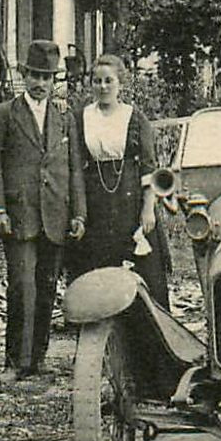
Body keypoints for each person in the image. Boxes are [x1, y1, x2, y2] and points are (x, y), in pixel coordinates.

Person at [0, 39, 86, 381]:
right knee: (21, 286)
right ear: (23, 75)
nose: (40, 83)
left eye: (47, 77)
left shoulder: (64, 117)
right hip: (19, 215)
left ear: (54, 81)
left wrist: (78, 214)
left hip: (55, 215)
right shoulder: (3, 114)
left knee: (47, 285)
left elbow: (73, 169)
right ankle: (15, 361)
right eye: (35, 75)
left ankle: (38, 358)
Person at [66, 54, 171, 308]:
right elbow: (76, 167)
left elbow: (149, 166)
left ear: (120, 84)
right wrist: (79, 211)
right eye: (97, 81)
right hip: (96, 202)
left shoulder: (134, 117)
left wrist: (148, 208)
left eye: (108, 81)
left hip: (129, 198)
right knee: (98, 271)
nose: (102, 87)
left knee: (144, 269)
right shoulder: (80, 118)